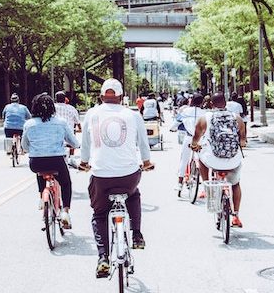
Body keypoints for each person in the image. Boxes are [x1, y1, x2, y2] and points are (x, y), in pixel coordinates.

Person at [79, 78, 155, 278]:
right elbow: (143, 144)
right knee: (134, 195)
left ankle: (103, 257)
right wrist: (146, 162)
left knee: (100, 213)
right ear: (121, 97)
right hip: (129, 176)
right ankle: (136, 234)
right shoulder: (133, 115)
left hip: (101, 176)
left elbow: (85, 145)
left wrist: (85, 162)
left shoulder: (92, 114)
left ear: (101, 96)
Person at [22, 94, 80, 229]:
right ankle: (65, 211)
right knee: (66, 183)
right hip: (57, 161)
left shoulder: (29, 124)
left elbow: (25, 147)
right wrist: (74, 146)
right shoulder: (61, 122)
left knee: (40, 172)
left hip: (36, 163)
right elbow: (74, 142)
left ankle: (42, 197)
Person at [190, 92, 246, 228]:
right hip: (233, 160)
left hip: (212, 161)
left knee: (200, 158)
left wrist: (194, 146)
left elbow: (196, 139)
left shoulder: (204, 118)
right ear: (225, 103)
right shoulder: (236, 118)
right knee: (235, 184)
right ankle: (236, 216)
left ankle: (206, 183)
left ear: (210, 104)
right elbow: (243, 141)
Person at [173, 94, 206, 190]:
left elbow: (176, 122)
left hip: (189, 138)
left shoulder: (185, 111)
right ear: (202, 102)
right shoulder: (205, 113)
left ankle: (179, 183)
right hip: (201, 139)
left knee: (184, 159)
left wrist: (173, 128)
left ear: (191, 101)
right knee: (204, 160)